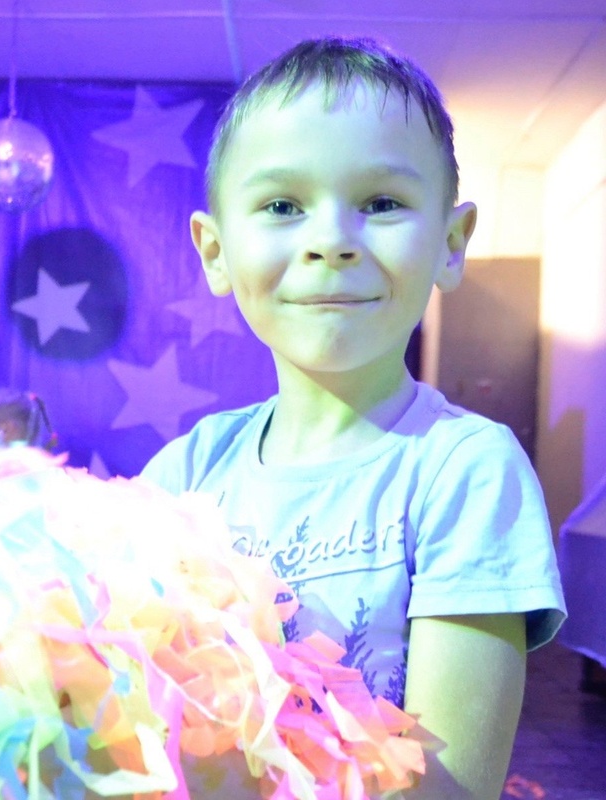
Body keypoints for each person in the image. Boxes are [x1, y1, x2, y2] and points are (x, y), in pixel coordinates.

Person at [140, 37, 565, 799]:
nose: (332, 241)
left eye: (381, 203)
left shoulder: (465, 469)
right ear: (215, 251)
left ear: (451, 243)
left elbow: (449, 786)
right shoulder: (184, 473)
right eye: (282, 206)